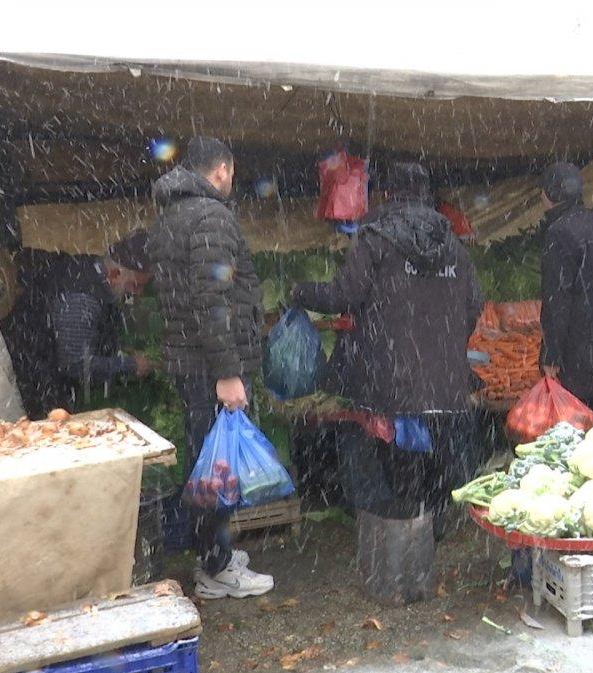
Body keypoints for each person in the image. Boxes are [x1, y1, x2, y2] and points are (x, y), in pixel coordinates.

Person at [291, 161, 482, 539]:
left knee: (395, 453)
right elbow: (474, 303)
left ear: (387, 193)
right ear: (425, 194)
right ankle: (433, 522)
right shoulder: (453, 246)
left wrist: (301, 292)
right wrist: (445, 345)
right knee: (437, 451)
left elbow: (344, 295)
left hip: (390, 373)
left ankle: (404, 529)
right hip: (444, 378)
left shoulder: (375, 239)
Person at [147, 136, 269, 600]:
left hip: (189, 360)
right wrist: (228, 372)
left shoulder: (170, 216)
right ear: (222, 170)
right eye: (231, 173)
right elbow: (211, 300)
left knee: (207, 459)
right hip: (209, 366)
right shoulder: (210, 216)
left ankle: (212, 555)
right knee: (218, 467)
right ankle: (216, 567)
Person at [3, 230, 155, 419]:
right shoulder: (82, 299)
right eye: (135, 285)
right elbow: (74, 364)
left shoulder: (90, 268)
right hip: (36, 381)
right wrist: (129, 365)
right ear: (115, 274)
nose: (138, 293)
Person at [536, 161, 593, 421]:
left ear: (551, 194)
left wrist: (551, 354)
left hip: (573, 346)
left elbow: (557, 300)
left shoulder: (557, 233)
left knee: (575, 422)